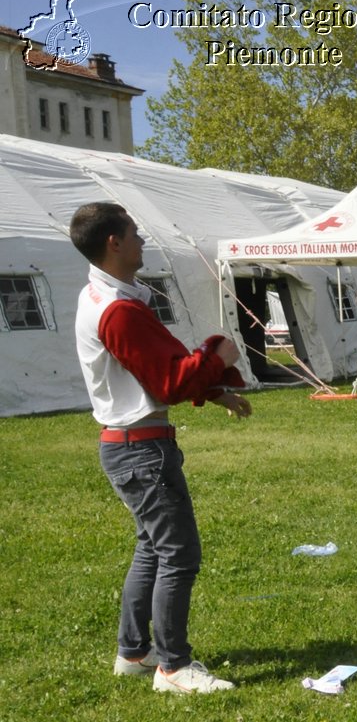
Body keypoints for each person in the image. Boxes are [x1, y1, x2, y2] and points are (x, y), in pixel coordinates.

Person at [70, 201, 252, 695]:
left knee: (152, 547)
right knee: (178, 553)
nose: (142, 240)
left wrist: (214, 390)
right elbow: (170, 380)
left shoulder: (109, 297)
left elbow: (155, 367)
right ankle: (172, 666)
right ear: (114, 243)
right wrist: (218, 358)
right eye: (134, 232)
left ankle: (134, 652)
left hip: (132, 445)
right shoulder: (118, 310)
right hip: (140, 450)